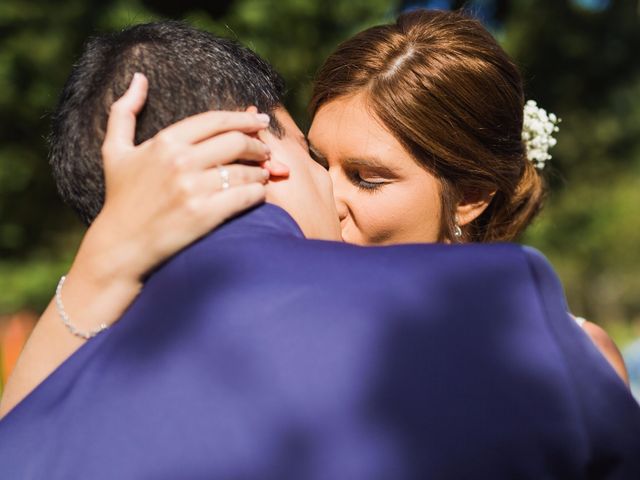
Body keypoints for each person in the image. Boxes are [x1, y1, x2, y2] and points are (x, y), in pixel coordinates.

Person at [2, 20, 640, 479]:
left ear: (469, 197)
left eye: (366, 177)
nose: (329, 198)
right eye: (316, 158)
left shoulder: (544, 341)